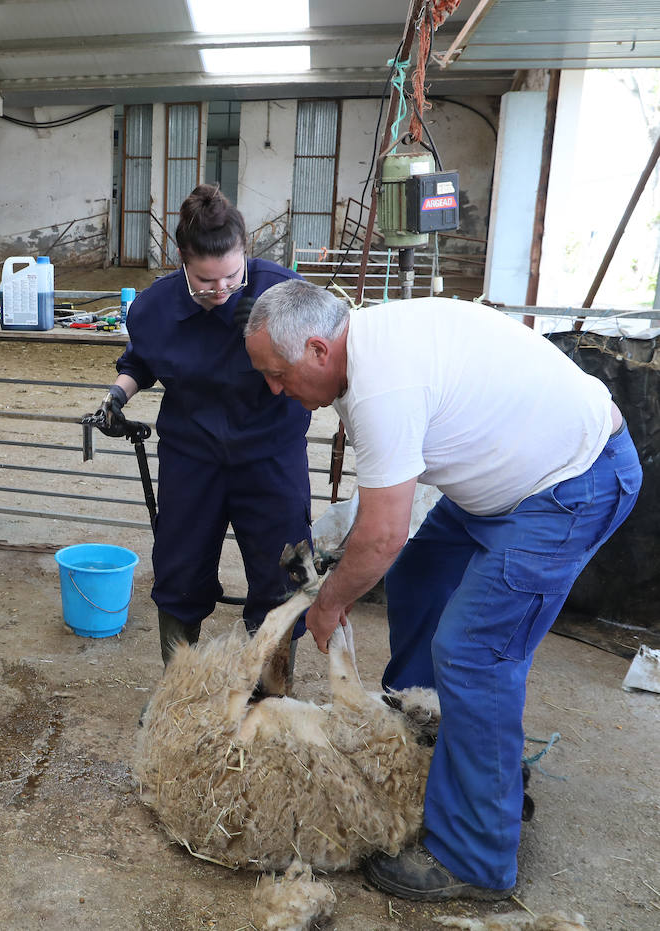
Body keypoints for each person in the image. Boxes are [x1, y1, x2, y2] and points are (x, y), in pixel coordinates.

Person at [243, 279, 641, 902]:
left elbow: (380, 537)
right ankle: (425, 748)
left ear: (319, 349)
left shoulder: (381, 383)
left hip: (569, 484)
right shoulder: (363, 352)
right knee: (421, 577)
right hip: (508, 480)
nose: (274, 388)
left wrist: (328, 604)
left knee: (474, 652)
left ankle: (476, 855)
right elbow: (386, 507)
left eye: (277, 373)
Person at [88, 184, 312, 673]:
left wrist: (268, 326)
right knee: (179, 570)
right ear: (182, 262)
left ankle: (269, 694)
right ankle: (179, 693)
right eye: (206, 281)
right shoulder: (153, 308)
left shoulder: (284, 291)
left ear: (245, 253)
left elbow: (322, 353)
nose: (222, 289)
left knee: (282, 574)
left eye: (232, 275)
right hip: (193, 455)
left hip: (271, 454)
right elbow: (140, 360)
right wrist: (116, 396)